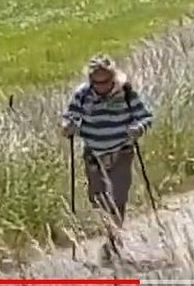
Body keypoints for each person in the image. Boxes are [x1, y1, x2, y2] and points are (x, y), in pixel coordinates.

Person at [60, 55, 154, 262]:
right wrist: (68, 127)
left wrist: (138, 129)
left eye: (105, 82)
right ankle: (111, 233)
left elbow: (146, 116)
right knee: (98, 200)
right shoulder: (82, 95)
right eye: (96, 82)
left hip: (121, 152)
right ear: (90, 80)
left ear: (112, 78)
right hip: (94, 155)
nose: (100, 87)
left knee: (118, 198)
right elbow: (69, 117)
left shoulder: (126, 93)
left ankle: (112, 242)